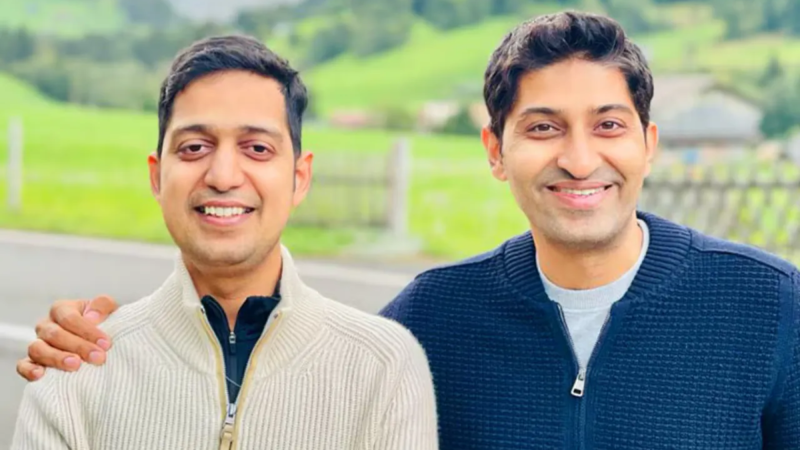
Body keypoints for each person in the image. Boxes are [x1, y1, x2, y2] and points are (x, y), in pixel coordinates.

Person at [17, 11, 800, 450]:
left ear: (648, 143)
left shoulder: (769, 307)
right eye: (542, 128)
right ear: (495, 151)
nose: (578, 158)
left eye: (608, 125)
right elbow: (289, 367)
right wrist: (101, 341)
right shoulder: (429, 320)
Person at [11, 34, 438, 450]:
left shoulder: (383, 368)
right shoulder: (73, 370)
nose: (223, 176)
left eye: (257, 148)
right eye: (195, 147)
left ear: (299, 177)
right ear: (157, 177)